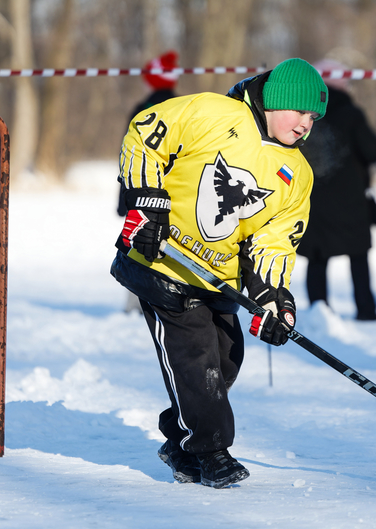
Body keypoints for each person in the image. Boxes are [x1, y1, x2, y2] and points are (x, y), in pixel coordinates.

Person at [109, 58, 327, 488]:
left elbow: (275, 239)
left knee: (225, 362)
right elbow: (144, 134)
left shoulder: (297, 174)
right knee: (196, 363)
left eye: (314, 117)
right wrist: (148, 201)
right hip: (164, 267)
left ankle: (182, 442)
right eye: (301, 110)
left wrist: (272, 297)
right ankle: (212, 451)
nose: (307, 123)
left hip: (219, 278)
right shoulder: (215, 113)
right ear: (277, 100)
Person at [298, 59, 376, 321]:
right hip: (350, 199)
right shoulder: (351, 113)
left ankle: (319, 310)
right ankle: (365, 308)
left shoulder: (303, 114)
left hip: (314, 196)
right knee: (358, 253)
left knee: (317, 256)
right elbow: (372, 151)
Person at [119, 51, 182, 313]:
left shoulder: (141, 110)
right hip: (176, 194)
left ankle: (136, 300)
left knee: (138, 243)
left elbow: (129, 155)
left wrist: (125, 197)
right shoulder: (184, 108)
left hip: (142, 191)